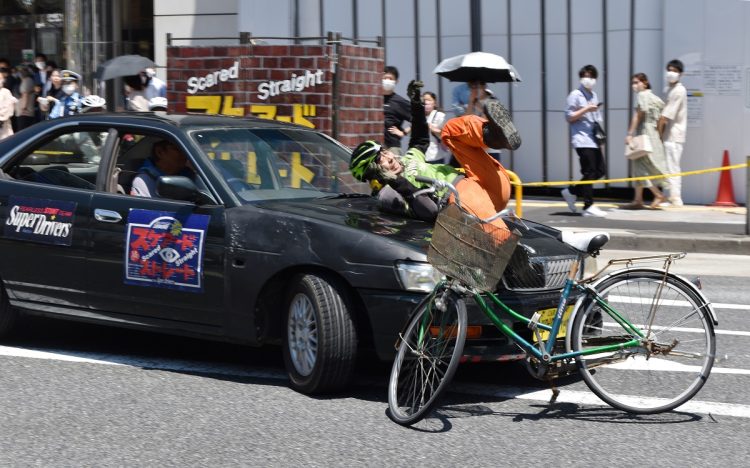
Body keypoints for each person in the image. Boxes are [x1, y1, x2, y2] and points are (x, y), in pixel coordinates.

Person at [350, 79, 520, 233]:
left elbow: (420, 139)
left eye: (384, 151)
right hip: (462, 200)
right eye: (380, 160)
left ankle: (493, 136)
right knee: (505, 245)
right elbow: (430, 212)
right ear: (373, 173)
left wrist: (416, 104)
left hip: (485, 183)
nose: (389, 157)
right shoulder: (389, 194)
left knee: (450, 131)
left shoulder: (407, 160)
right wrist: (396, 181)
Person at [561, 64, 607, 217]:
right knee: (589, 171)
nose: (589, 79)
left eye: (592, 76)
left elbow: (596, 120)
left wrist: (601, 142)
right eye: (586, 76)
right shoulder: (575, 94)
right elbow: (568, 117)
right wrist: (586, 109)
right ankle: (588, 206)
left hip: (594, 139)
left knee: (600, 171)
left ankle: (571, 191)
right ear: (581, 77)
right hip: (581, 139)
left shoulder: (593, 95)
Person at [622, 73, 669, 209]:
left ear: (645, 83)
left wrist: (630, 133)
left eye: (637, 82)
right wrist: (659, 135)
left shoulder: (642, 96)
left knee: (640, 168)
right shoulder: (656, 99)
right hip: (654, 136)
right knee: (642, 166)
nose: (634, 86)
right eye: (633, 83)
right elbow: (663, 120)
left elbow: (638, 116)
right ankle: (638, 199)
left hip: (644, 135)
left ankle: (658, 194)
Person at [658, 59, 687, 207]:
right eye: (669, 70)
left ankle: (675, 198)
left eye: (675, 71)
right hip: (670, 134)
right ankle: (671, 197)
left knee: (672, 167)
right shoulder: (669, 89)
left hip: (673, 135)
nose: (671, 73)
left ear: (681, 74)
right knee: (669, 166)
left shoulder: (678, 90)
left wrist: (658, 135)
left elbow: (665, 117)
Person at [382, 65, 411, 150]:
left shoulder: (400, 102)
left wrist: (403, 132)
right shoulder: (374, 98)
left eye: (390, 79)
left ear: (396, 81)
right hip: (374, 146)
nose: (387, 81)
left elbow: (419, 119)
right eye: (385, 78)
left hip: (392, 147)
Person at [422, 91, 449, 164]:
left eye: (429, 100)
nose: (426, 102)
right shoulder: (419, 116)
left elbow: (446, 133)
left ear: (435, 103)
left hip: (436, 155)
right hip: (422, 155)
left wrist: (432, 128)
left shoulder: (440, 115)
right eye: (424, 100)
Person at [0, 71, 17, 140]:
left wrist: (1, 119)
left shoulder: (6, 92)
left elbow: (9, 109)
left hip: (3, 126)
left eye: (0, 78)